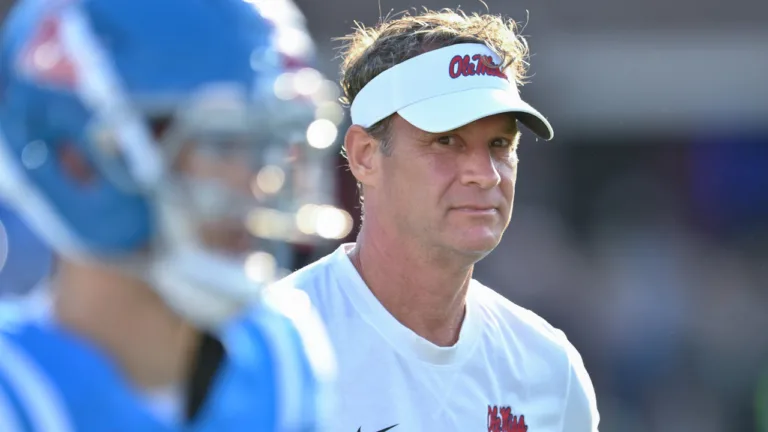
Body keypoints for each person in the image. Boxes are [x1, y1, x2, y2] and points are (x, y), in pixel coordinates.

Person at [0, 0, 339, 430]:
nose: (257, 183)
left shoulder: (281, 357)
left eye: (266, 145)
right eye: (221, 143)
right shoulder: (15, 401)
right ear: (78, 160)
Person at [278, 9, 600, 431]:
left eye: (500, 144)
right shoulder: (272, 348)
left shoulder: (550, 368)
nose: (484, 174)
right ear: (364, 155)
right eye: (446, 140)